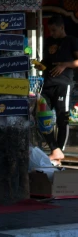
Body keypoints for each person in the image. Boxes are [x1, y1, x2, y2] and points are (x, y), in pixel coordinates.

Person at [42, 14, 78, 162]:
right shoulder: (49, 41)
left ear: (62, 28)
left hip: (64, 84)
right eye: (50, 30)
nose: (52, 33)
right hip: (47, 84)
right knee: (42, 116)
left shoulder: (71, 41)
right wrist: (39, 64)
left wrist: (64, 65)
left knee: (62, 118)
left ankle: (60, 152)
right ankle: (54, 148)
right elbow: (47, 61)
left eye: (54, 30)